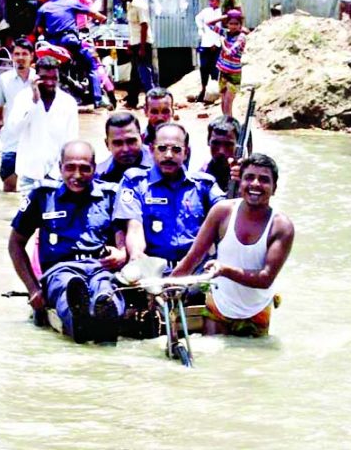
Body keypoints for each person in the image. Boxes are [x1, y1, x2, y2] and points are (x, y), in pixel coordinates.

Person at [8, 140, 128, 343]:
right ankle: (78, 323)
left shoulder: (111, 195)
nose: (77, 176)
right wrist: (33, 289)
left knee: (106, 290)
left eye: (85, 169)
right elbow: (15, 244)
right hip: (60, 270)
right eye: (70, 168)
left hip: (101, 268)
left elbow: (124, 237)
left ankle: (106, 318)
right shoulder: (42, 196)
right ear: (60, 167)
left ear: (94, 168)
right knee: (69, 287)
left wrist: (121, 253)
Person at [171, 153, 294, 337]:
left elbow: (265, 279)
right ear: (240, 183)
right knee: (214, 355)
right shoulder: (222, 212)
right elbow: (193, 258)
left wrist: (224, 270)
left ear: (274, 188)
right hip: (219, 306)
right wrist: (167, 287)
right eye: (249, 178)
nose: (255, 184)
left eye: (264, 180)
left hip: (256, 311)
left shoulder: (281, 226)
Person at [114, 122, 225, 268]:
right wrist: (136, 254)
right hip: (155, 269)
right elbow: (134, 226)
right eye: (162, 148)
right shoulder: (135, 183)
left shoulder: (204, 185)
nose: (168, 155)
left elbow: (227, 215)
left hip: (197, 270)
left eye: (176, 150)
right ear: (152, 150)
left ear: (186, 153)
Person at [4, 57, 79, 191]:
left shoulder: (68, 103)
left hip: (58, 177)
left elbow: (71, 142)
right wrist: (34, 101)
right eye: (44, 77)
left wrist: (54, 174)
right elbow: (14, 129)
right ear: (36, 76)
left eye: (53, 78)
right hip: (29, 175)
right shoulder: (23, 98)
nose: (50, 82)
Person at [35, 0, 108, 108]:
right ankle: (98, 99)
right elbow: (92, 13)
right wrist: (102, 18)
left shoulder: (44, 7)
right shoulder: (71, 3)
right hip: (69, 41)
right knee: (91, 64)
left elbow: (40, 29)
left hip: (52, 44)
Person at [0, 38, 35, 192]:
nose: (20, 58)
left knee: (32, 189)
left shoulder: (39, 81)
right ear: (12, 57)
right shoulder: (5, 80)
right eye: (16, 54)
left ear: (32, 56)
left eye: (25, 54)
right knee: (9, 188)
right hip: (11, 142)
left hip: (34, 143)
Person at [119, 0, 156, 109]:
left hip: (143, 43)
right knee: (134, 74)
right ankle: (132, 100)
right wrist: (130, 43)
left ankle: (153, 100)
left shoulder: (140, 5)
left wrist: (141, 46)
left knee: (145, 73)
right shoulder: (130, 4)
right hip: (135, 43)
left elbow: (144, 26)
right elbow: (132, 27)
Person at [94, 112, 153, 184]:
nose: (126, 149)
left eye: (131, 141)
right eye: (118, 143)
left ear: (142, 138)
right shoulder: (99, 176)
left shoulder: (160, 166)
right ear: (107, 144)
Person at [208, 10, 246, 117]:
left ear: (240, 25)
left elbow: (230, 52)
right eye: (231, 23)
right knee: (223, 103)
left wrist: (223, 43)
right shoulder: (225, 33)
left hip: (234, 75)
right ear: (227, 23)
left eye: (236, 24)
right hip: (223, 72)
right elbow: (208, 23)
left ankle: (230, 128)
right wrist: (224, 17)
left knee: (228, 103)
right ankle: (225, 126)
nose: (233, 26)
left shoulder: (241, 37)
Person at [193, 0, 222, 104]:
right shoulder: (206, 12)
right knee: (204, 68)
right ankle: (204, 89)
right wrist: (201, 29)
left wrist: (216, 43)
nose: (211, 2)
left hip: (217, 44)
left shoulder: (222, 13)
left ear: (218, 1)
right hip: (205, 44)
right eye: (210, 0)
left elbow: (222, 30)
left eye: (213, 0)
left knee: (215, 69)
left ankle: (213, 93)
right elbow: (197, 19)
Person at [199, 115, 240, 191]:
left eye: (228, 145)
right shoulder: (201, 177)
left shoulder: (247, 175)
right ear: (208, 142)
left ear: (237, 145)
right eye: (216, 143)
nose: (221, 151)